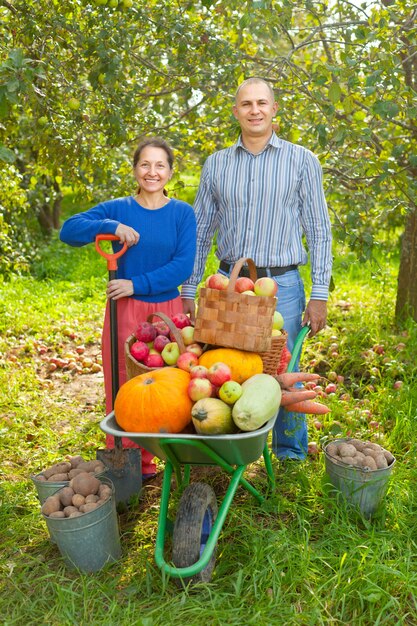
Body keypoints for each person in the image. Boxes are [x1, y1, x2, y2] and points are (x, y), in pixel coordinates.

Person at [181, 78, 332, 461]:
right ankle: (228, 453)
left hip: (282, 283)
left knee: (284, 367)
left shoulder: (301, 160)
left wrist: (319, 294)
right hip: (229, 286)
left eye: (262, 103)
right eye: (246, 104)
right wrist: (188, 289)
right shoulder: (217, 163)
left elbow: (319, 231)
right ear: (236, 112)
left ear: (274, 109)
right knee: (228, 369)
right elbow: (200, 232)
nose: (254, 110)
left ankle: (290, 455)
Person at [60, 137, 197, 477]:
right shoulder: (118, 209)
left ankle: (171, 454)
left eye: (160, 165)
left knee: (170, 384)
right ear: (135, 169)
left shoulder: (182, 213)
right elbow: (69, 230)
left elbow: (182, 266)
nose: (152, 172)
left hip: (167, 311)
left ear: (170, 171)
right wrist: (110, 227)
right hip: (124, 311)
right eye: (145, 165)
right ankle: (132, 464)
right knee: (122, 384)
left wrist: (136, 283)